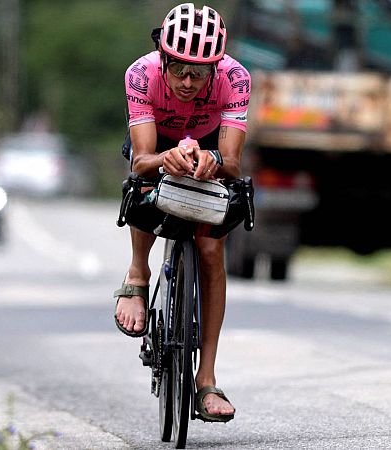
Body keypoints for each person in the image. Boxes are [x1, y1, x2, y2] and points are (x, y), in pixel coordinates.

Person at [114, 2, 250, 423]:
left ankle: (206, 378)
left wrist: (209, 158)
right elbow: (140, 159)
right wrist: (164, 158)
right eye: (180, 72)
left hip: (209, 143)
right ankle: (138, 275)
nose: (189, 82)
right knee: (146, 190)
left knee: (211, 249)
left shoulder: (235, 78)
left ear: (216, 68)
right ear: (164, 60)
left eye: (200, 73)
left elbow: (232, 161)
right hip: (157, 144)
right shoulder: (141, 75)